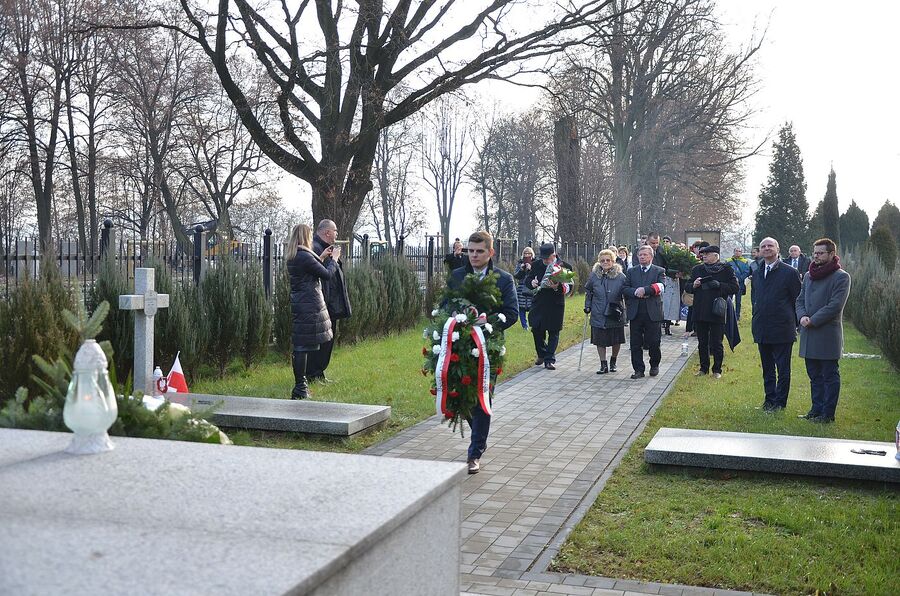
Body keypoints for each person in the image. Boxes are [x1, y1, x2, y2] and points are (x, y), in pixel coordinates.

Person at [447, 230, 519, 473]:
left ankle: (475, 452)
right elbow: (445, 305)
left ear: (491, 252)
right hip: (460, 345)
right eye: (470, 251)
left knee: (481, 398)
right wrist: (454, 318)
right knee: (461, 398)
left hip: (489, 348)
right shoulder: (457, 276)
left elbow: (512, 313)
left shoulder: (503, 279)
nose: (474, 255)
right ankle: (479, 435)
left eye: (479, 251)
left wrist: (489, 322)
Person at [796, 238, 851, 423]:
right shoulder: (809, 275)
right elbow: (800, 300)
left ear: (831, 254)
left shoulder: (841, 276)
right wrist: (802, 316)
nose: (816, 256)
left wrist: (813, 320)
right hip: (809, 333)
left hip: (827, 334)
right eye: (815, 252)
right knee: (814, 376)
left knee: (829, 375)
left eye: (820, 253)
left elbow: (835, 305)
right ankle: (815, 410)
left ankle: (827, 415)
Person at [285, 224, 340, 399]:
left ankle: (302, 385)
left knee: (304, 344)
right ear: (305, 237)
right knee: (303, 346)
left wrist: (322, 257)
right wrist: (334, 260)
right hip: (309, 305)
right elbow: (326, 275)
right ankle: (300, 388)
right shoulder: (304, 256)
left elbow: (310, 272)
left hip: (301, 303)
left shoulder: (296, 255)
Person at [751, 237, 802, 412]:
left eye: (770, 246)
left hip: (782, 327)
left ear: (778, 249)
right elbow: (755, 298)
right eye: (763, 246)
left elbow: (797, 300)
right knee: (767, 368)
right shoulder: (757, 272)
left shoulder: (789, 273)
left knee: (783, 368)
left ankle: (780, 403)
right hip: (762, 327)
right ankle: (769, 400)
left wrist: (795, 324)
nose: (766, 248)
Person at [307, 219, 352, 383]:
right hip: (323, 303)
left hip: (331, 303)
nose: (337, 234)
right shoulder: (316, 249)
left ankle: (318, 373)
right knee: (321, 341)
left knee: (328, 340)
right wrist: (333, 259)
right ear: (327, 232)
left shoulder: (325, 249)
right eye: (335, 231)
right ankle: (313, 374)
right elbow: (324, 275)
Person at [685, 245, 739, 378]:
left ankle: (717, 370)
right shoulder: (697, 269)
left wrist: (719, 285)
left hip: (717, 311)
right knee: (702, 342)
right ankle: (703, 369)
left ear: (716, 255)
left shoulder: (726, 269)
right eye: (703, 254)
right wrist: (694, 285)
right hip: (700, 309)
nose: (704, 256)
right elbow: (687, 287)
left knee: (717, 342)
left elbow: (735, 287)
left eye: (707, 254)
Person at [524, 242, 573, 370]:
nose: (545, 260)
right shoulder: (536, 265)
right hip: (539, 302)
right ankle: (542, 353)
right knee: (536, 329)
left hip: (555, 303)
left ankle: (549, 359)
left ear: (554, 255)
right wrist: (532, 282)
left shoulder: (564, 266)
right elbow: (527, 280)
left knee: (553, 331)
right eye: (543, 258)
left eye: (548, 258)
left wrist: (558, 287)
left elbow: (570, 286)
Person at [623, 245, 666, 379]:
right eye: (640, 255)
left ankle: (654, 365)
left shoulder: (659, 271)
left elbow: (661, 287)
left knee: (654, 342)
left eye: (645, 255)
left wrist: (645, 290)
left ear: (651, 257)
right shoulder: (631, 271)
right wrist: (635, 292)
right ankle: (638, 369)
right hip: (636, 312)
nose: (642, 257)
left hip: (652, 312)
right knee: (635, 343)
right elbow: (625, 288)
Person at [584, 249, 627, 374]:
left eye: (608, 260)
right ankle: (603, 364)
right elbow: (588, 292)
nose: (605, 262)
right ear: (599, 262)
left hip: (615, 312)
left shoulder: (621, 277)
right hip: (598, 312)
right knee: (599, 340)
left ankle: (613, 361)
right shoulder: (594, 276)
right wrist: (587, 306)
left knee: (616, 339)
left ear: (613, 261)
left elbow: (626, 293)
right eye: (602, 260)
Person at [513, 246, 536, 330]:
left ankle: (532, 324)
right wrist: (522, 270)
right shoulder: (520, 263)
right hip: (521, 288)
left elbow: (537, 275)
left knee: (532, 308)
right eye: (525, 253)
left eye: (529, 253)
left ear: (532, 254)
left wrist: (530, 269)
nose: (527, 255)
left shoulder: (535, 263)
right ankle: (524, 326)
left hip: (531, 287)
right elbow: (516, 275)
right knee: (521, 308)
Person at [727, 247, 752, 320]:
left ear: (741, 253)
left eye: (739, 251)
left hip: (740, 284)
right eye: (736, 251)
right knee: (729, 300)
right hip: (730, 284)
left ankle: (737, 316)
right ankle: (728, 314)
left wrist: (740, 278)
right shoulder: (728, 261)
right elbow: (725, 270)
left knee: (738, 301)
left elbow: (747, 272)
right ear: (734, 252)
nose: (738, 252)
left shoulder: (745, 261)